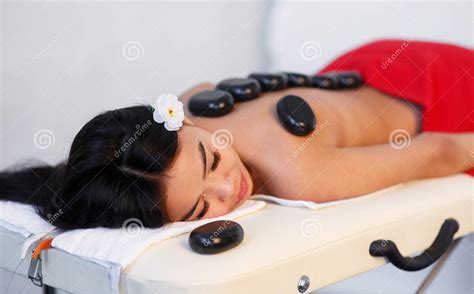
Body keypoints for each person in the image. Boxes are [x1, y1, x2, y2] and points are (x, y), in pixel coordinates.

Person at [1, 39, 472, 229]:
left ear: (184, 124)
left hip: (438, 97)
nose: (231, 188)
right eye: (202, 208)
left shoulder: (303, 172)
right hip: (353, 74)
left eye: (212, 160)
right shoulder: (183, 110)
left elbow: (441, 151)